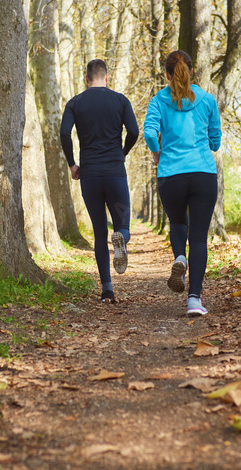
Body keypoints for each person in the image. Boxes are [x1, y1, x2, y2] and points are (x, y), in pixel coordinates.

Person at [144, 50, 222, 316]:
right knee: (199, 237)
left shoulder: (158, 100)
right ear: (191, 71)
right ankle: (194, 300)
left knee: (178, 223)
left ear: (167, 74)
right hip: (203, 174)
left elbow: (148, 133)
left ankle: (179, 257)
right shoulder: (207, 99)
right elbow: (216, 141)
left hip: (170, 175)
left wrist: (158, 152)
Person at [60, 59, 139, 303]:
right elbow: (135, 131)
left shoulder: (75, 102)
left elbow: (64, 133)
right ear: (107, 77)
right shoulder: (120, 100)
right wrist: (123, 153)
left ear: (86, 79)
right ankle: (121, 239)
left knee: (98, 231)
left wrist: (72, 163)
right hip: (115, 172)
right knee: (122, 225)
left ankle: (107, 290)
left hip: (90, 175)